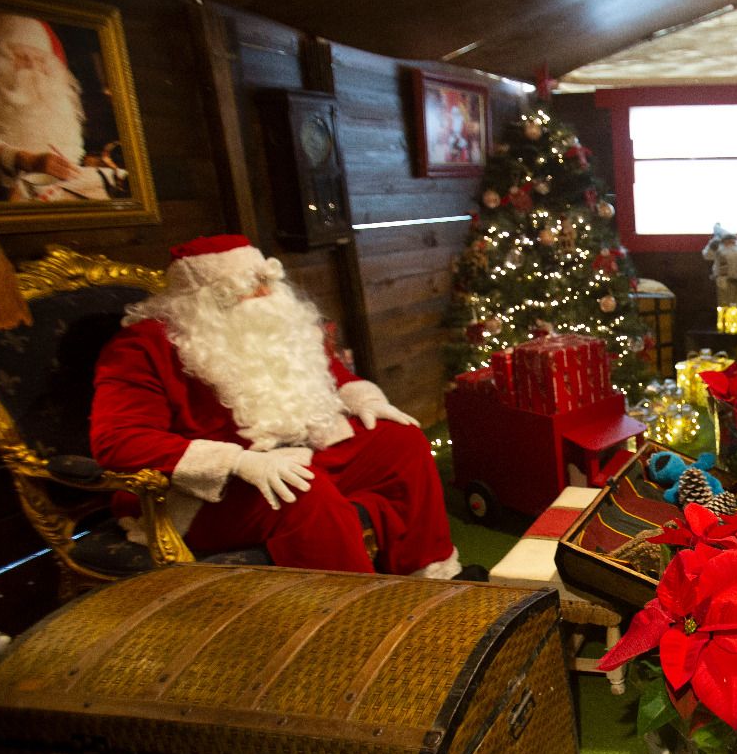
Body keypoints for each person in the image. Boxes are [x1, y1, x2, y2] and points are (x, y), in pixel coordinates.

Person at [90, 234, 478, 579]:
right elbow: (118, 441)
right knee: (302, 494)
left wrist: (366, 398)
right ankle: (358, 622)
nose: (266, 293)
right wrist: (237, 463)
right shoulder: (143, 347)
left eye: (267, 280)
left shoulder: (273, 324)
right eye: (251, 284)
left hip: (301, 450)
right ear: (206, 298)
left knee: (400, 443)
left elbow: (333, 375)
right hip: (207, 490)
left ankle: (429, 575)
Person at [0, 11, 84, 199]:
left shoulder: (56, 97)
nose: (33, 65)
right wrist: (21, 158)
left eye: (40, 59)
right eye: (21, 57)